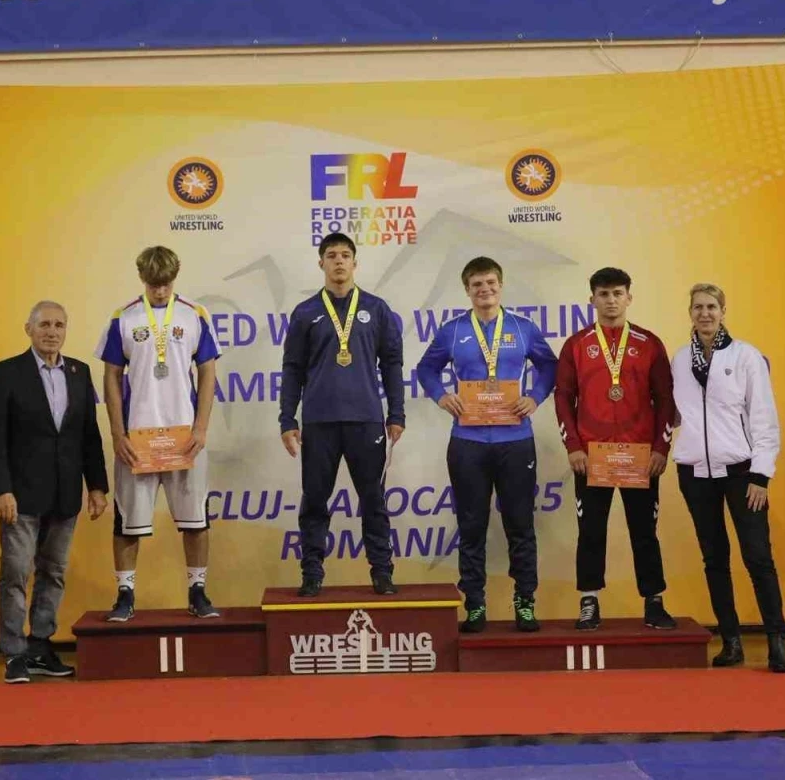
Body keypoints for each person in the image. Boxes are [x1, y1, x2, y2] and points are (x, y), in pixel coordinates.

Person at [416, 257, 557, 632]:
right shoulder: (453, 331)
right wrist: (441, 396)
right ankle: (475, 604)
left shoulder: (523, 328)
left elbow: (549, 366)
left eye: (491, 282)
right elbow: (425, 368)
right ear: (467, 289)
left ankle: (524, 602)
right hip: (469, 441)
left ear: (501, 285)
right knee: (471, 525)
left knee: (520, 525)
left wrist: (535, 397)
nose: (485, 289)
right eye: (477, 284)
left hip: (516, 440)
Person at [0, 301, 108, 684]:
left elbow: (89, 435)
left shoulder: (79, 372)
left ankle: (40, 645)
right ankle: (14, 654)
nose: (52, 332)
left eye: (59, 325)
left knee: (53, 573)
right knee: (16, 573)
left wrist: (97, 486)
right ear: (29, 329)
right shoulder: (7, 372)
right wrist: (1, 489)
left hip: (65, 494)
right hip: (19, 496)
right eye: (44, 325)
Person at [671, 283, 785, 673]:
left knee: (758, 557)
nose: (705, 313)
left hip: (743, 474)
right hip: (695, 474)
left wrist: (762, 474)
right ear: (690, 313)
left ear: (723, 311)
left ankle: (777, 642)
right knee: (714, 559)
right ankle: (731, 641)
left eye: (711, 306)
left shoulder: (745, 357)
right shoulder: (680, 360)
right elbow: (676, 413)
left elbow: (764, 420)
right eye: (698, 307)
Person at [96, 246, 221, 622]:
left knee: (196, 520)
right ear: (142, 279)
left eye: (165, 283)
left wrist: (201, 427)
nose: (160, 291)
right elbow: (111, 376)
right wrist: (118, 433)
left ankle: (198, 591)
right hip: (138, 437)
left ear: (174, 277)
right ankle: (124, 595)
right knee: (128, 522)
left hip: (185, 436)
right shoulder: (123, 317)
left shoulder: (195, 314)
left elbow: (208, 372)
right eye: (153, 284)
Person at [280, 233, 404, 597]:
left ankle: (382, 571)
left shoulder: (376, 309)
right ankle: (312, 573)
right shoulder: (305, 312)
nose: (338, 261)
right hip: (319, 422)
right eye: (331, 255)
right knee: (315, 501)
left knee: (373, 501)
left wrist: (396, 413)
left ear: (355, 263)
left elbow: (392, 364)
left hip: (366, 420)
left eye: (345, 255)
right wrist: (287, 419)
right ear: (321, 263)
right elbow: (292, 368)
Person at [555, 267, 677, 631]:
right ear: (592, 299)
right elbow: (563, 398)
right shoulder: (576, 345)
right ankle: (589, 600)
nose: (611, 300)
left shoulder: (649, 343)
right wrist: (573, 446)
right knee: (591, 531)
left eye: (618, 293)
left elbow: (666, 398)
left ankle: (654, 601)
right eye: (604, 294)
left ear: (629, 297)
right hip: (592, 457)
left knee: (644, 531)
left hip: (640, 457)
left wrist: (661, 448)